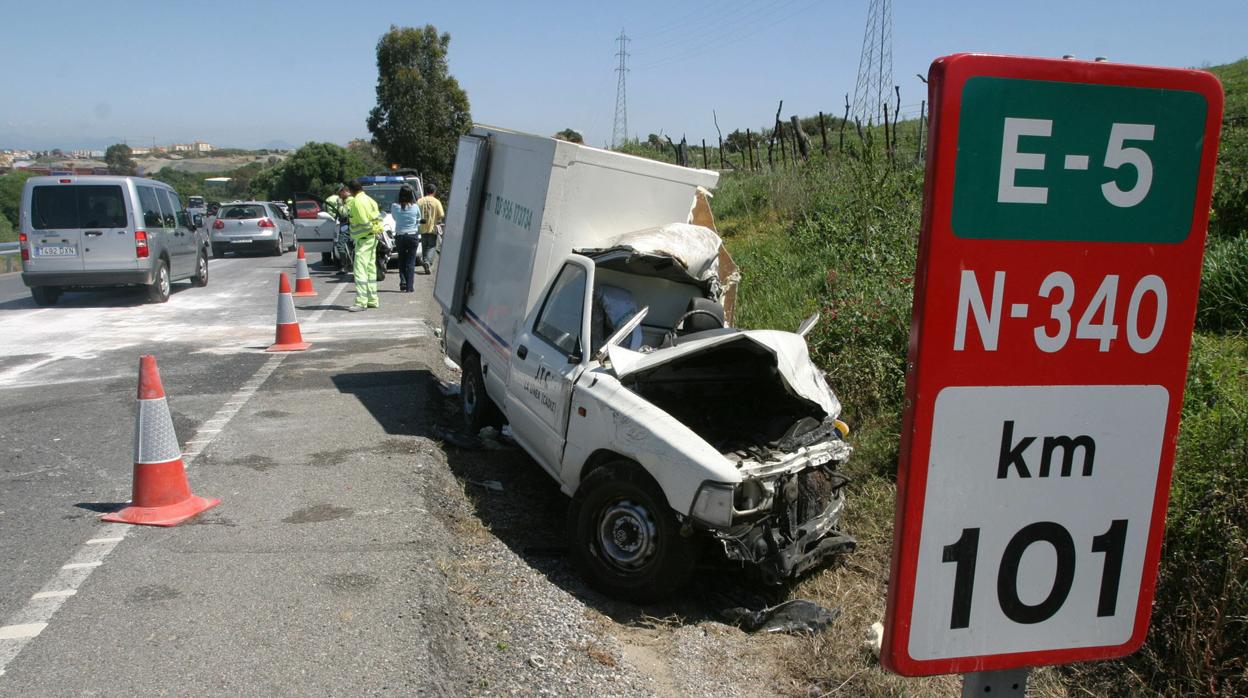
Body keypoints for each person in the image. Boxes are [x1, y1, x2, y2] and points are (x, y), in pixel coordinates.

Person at [344, 180, 382, 311]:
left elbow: (364, 222)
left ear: (351, 190)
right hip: (373, 237)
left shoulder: (357, 202)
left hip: (364, 239)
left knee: (359, 269)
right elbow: (377, 218)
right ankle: (372, 299)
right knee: (371, 269)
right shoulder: (370, 200)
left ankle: (361, 302)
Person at [391, 186, 422, 292]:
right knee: (411, 261)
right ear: (411, 195)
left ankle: (403, 282)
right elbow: (418, 219)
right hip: (412, 235)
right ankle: (409, 286)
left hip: (400, 236)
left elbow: (395, 218)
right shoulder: (415, 206)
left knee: (402, 260)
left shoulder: (394, 206)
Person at [416, 182, 445, 274]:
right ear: (434, 191)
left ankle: (425, 262)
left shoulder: (419, 201)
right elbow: (441, 214)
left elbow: (415, 213)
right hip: (433, 228)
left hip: (422, 228)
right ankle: (428, 262)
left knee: (424, 246)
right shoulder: (436, 202)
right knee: (432, 246)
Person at [323, 184, 352, 274]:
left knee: (340, 245)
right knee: (348, 246)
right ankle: (348, 265)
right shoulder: (349, 200)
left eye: (340, 194)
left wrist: (339, 204)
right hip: (347, 226)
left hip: (347, 226)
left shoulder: (349, 201)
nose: (339, 196)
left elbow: (344, 214)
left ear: (344, 191)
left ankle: (345, 266)